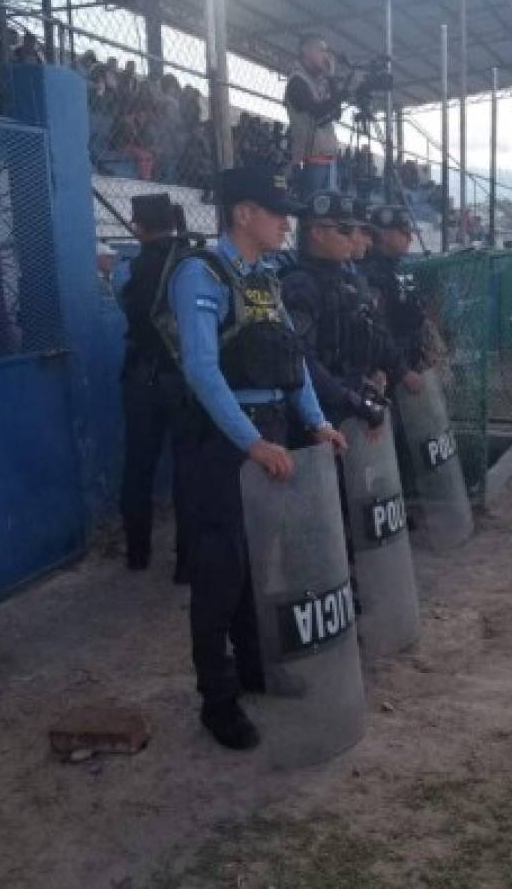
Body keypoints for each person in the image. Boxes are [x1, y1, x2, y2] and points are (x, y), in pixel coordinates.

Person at [161, 168, 345, 750]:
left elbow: (291, 361)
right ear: (242, 214)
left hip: (264, 431)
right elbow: (200, 369)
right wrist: (252, 442)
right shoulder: (201, 273)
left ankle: (250, 669)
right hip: (223, 440)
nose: (285, 222)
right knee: (220, 571)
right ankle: (217, 701)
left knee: (259, 562)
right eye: (275, 211)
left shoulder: (265, 278)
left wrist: (316, 423)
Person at [281, 193, 409, 424]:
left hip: (350, 403)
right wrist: (351, 399)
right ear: (317, 233)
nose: (353, 239)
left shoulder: (348, 281)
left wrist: (369, 380)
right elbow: (303, 362)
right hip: (318, 416)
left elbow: (367, 338)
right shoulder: (300, 286)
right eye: (344, 230)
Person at [117, 194, 193, 580]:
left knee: (139, 469)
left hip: (143, 379)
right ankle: (186, 563)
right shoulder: (191, 263)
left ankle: (137, 553)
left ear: (139, 226)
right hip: (185, 378)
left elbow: (128, 309)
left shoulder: (134, 268)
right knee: (188, 470)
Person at [360, 206, 432, 382]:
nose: (410, 238)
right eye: (404, 232)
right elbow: (377, 330)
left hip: (408, 361)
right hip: (388, 372)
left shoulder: (396, 267)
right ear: (384, 234)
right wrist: (401, 370)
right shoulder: (370, 273)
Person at [284, 34, 352, 199]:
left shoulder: (318, 83)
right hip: (309, 159)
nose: (325, 55)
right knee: (310, 210)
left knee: (325, 213)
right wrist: (340, 96)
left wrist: (331, 80)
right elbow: (317, 113)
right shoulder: (297, 82)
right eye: (321, 50)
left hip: (327, 158)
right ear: (305, 51)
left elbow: (336, 113)